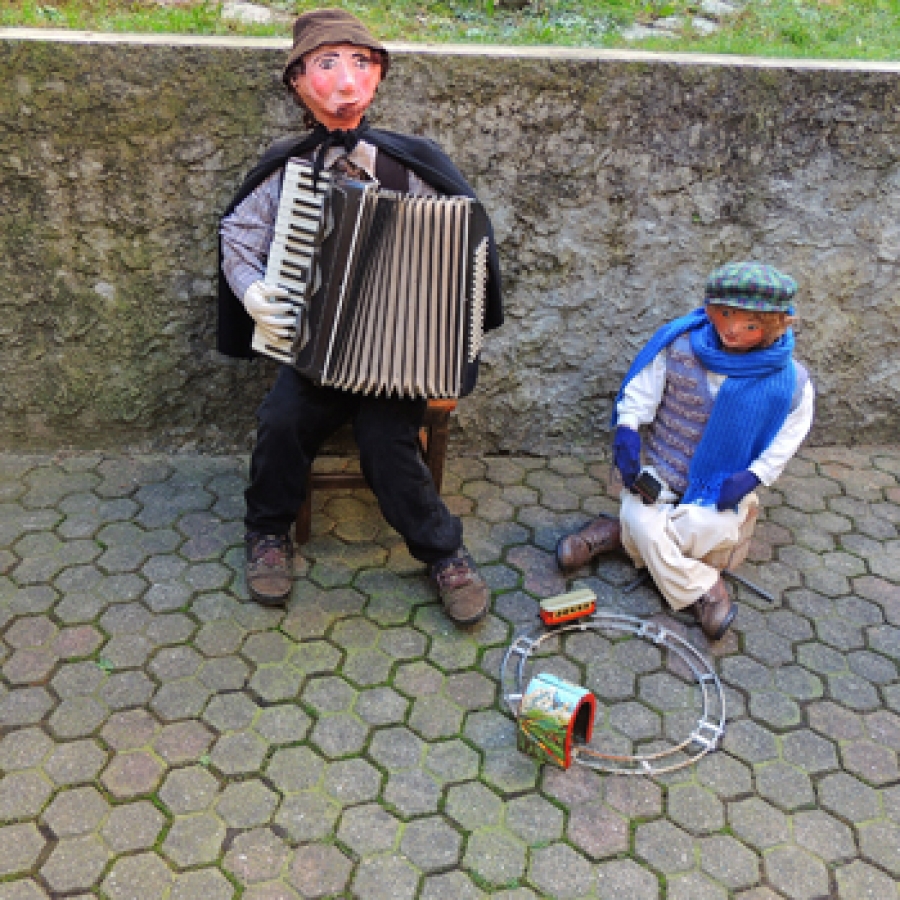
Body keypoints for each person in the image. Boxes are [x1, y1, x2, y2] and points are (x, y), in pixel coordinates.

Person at [218, 9, 502, 623]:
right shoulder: (286, 165)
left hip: (394, 362)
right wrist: (251, 291)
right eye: (327, 64)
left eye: (362, 62)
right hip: (310, 353)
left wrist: (455, 320)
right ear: (298, 81)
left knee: (387, 443)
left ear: (377, 77)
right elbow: (239, 234)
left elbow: (466, 245)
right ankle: (268, 534)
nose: (347, 79)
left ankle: (443, 553)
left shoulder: (416, 162)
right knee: (281, 424)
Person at [556, 262, 814, 641]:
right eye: (724, 315)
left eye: (749, 325)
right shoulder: (680, 346)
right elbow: (643, 391)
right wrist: (628, 428)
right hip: (663, 468)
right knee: (643, 511)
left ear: (775, 325)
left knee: (707, 528)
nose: (731, 330)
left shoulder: (791, 382)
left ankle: (616, 535)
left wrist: (755, 476)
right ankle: (705, 590)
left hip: (720, 489)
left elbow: (788, 438)